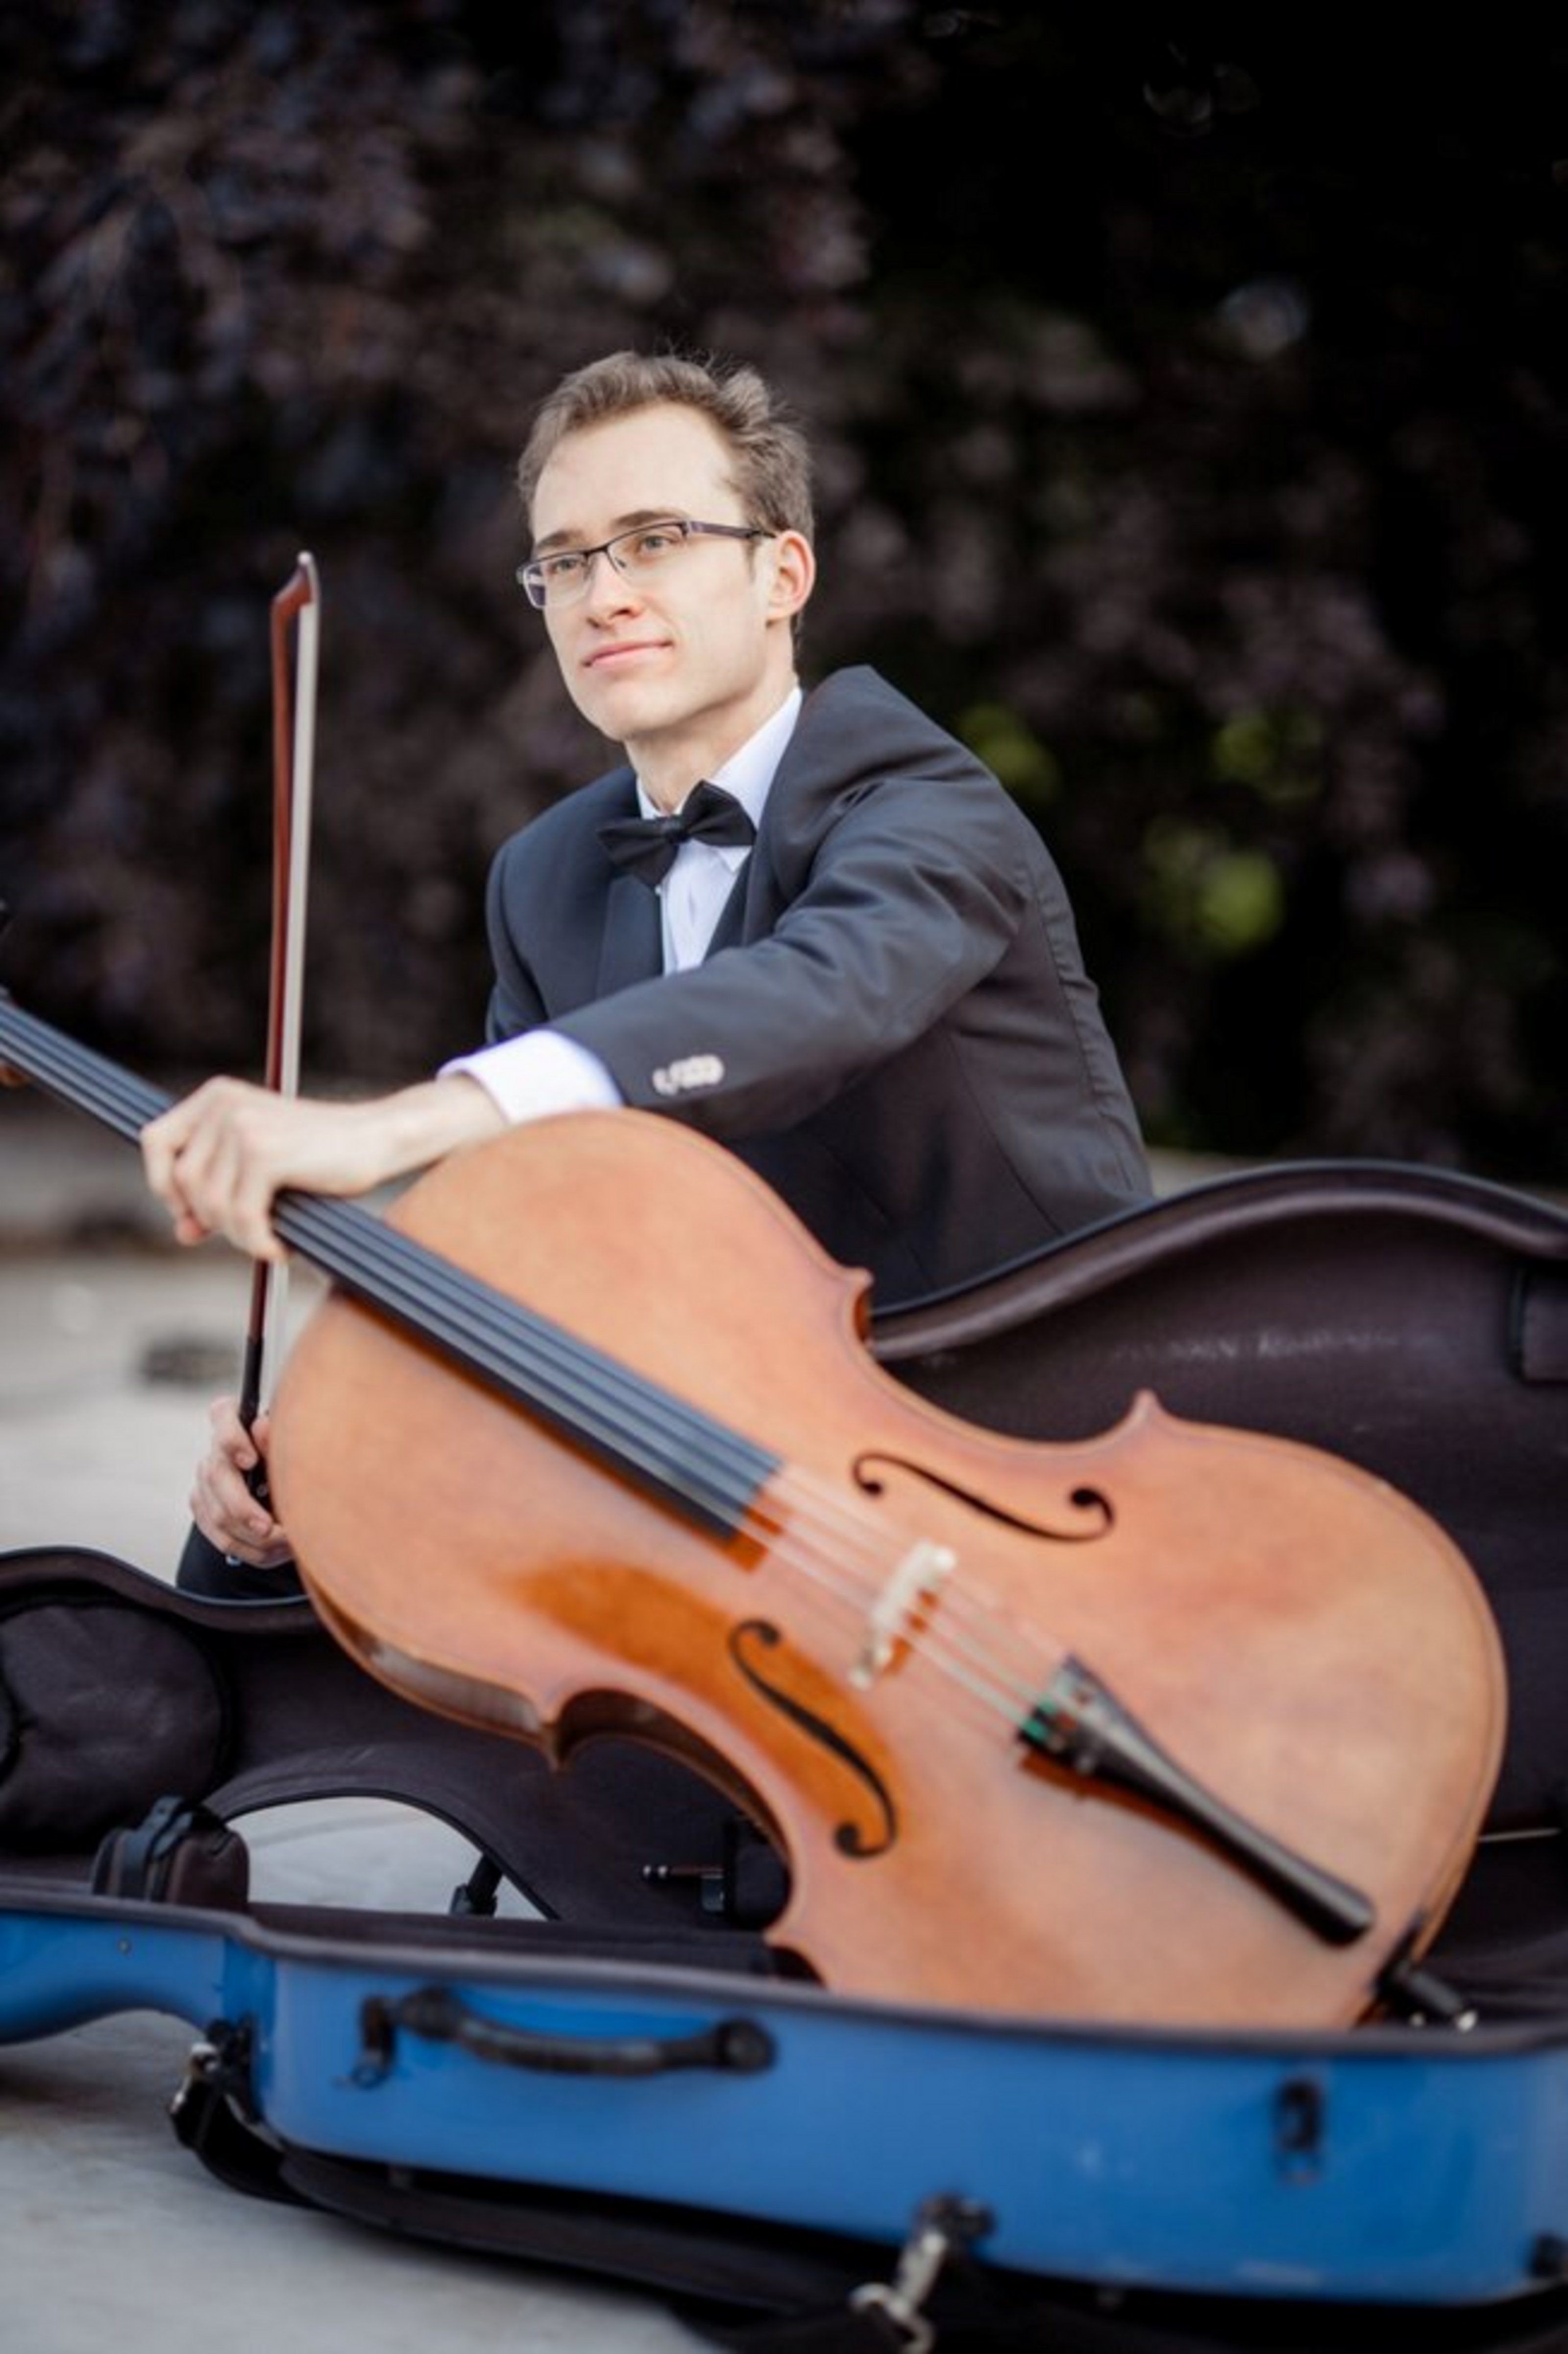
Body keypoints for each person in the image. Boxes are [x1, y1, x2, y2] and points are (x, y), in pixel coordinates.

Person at [144, 348, 1151, 1597]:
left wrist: (390, 1123)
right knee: (257, 1548)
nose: (601, 591)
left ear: (781, 573)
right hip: (750, 1449)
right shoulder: (545, 873)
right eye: (564, 559)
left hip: (1027, 1427)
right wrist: (335, 1420)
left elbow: (815, 992)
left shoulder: (925, 804)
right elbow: (511, 1226)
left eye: (654, 539)